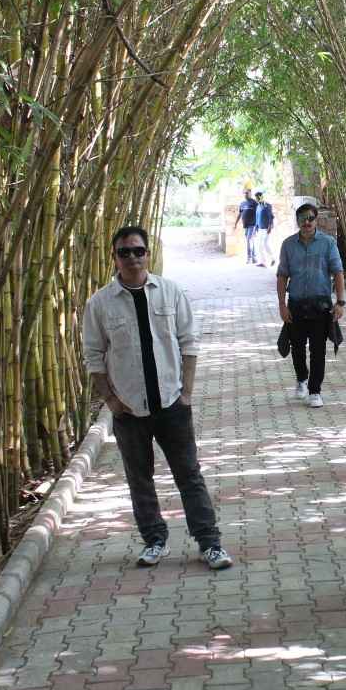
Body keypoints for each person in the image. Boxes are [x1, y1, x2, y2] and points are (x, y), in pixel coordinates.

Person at [81, 226, 233, 571]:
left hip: (171, 403)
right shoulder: (100, 303)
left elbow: (189, 343)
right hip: (129, 408)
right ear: (115, 258)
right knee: (139, 478)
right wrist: (111, 401)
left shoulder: (170, 292)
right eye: (125, 252)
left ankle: (209, 543)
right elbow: (93, 356)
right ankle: (155, 541)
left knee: (189, 474)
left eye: (139, 251)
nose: (133, 257)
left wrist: (188, 393)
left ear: (148, 254)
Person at [276, 202, 345, 408]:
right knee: (297, 347)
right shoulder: (288, 245)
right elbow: (282, 276)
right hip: (296, 304)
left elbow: (338, 272)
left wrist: (340, 302)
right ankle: (301, 379)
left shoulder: (328, 243)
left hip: (320, 306)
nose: (306, 222)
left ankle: (315, 391)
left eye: (310, 218)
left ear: (316, 220)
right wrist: (282, 305)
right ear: (297, 221)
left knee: (318, 350)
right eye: (302, 218)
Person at [233, 187, 259, 264]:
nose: (245, 194)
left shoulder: (254, 203)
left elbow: (258, 214)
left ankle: (249, 258)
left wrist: (258, 225)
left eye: (247, 193)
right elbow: (240, 214)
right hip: (246, 226)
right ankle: (254, 258)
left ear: (250, 194)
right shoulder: (242, 203)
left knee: (249, 239)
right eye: (244, 193)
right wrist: (235, 223)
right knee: (251, 241)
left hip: (253, 225)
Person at [255, 191, 276, 267]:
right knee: (259, 246)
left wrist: (270, 226)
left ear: (261, 197)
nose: (257, 199)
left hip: (266, 228)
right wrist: (256, 227)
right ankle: (263, 262)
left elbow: (271, 216)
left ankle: (273, 258)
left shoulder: (267, 205)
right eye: (256, 198)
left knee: (265, 243)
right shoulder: (258, 206)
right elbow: (257, 217)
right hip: (260, 229)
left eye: (258, 197)